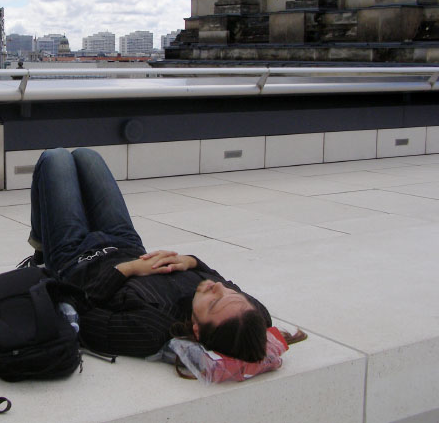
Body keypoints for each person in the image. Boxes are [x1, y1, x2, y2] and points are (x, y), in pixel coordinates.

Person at [25, 147, 271, 362]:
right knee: (86, 157)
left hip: (76, 259)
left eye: (215, 301)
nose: (217, 287)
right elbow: (262, 315)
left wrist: (128, 270)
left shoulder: (151, 328)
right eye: (231, 293)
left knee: (54, 158)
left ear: (196, 329)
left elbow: (80, 308)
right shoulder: (239, 315)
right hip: (126, 242)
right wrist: (191, 261)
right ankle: (41, 240)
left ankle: (42, 248)